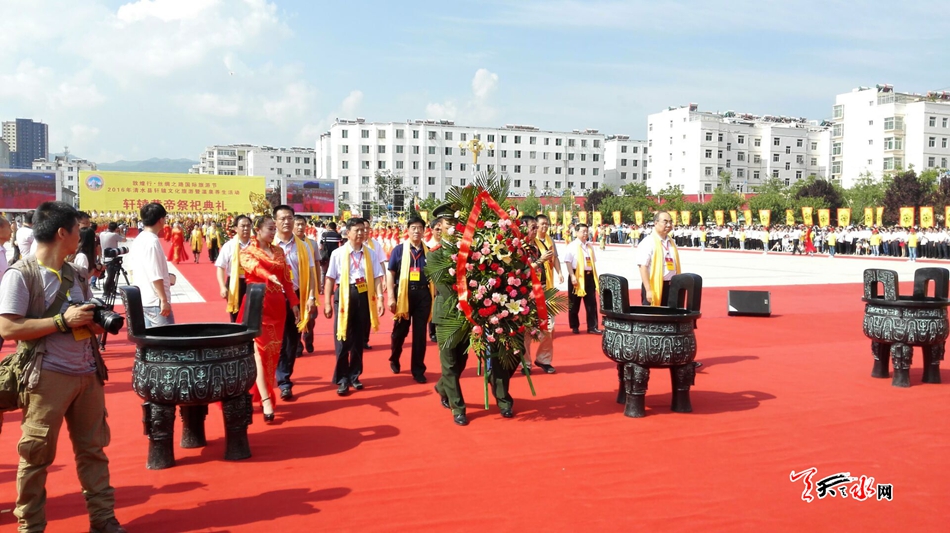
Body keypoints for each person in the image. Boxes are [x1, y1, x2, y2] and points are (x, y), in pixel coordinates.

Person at [0, 201, 127, 533]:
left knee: (93, 450)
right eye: (77, 230)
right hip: (46, 376)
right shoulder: (21, 275)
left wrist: (92, 323)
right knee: (36, 455)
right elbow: (8, 328)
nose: (81, 236)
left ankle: (103, 519)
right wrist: (61, 321)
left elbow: (79, 322)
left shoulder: (75, 273)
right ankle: (31, 526)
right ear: (62, 233)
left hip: (87, 371)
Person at [238, 215, 300, 423]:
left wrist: (294, 303)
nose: (274, 232)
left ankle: (258, 392)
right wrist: (268, 276)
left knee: (272, 355)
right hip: (257, 305)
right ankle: (266, 399)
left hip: (277, 307)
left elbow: (287, 280)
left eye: (274, 229)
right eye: (270, 229)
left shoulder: (279, 252)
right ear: (258, 230)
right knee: (259, 353)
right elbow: (254, 267)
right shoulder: (247, 251)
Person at [323, 218, 385, 396]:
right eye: (356, 230)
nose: (360, 233)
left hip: (364, 295)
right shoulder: (338, 253)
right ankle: (342, 378)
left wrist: (380, 299)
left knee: (359, 338)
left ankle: (354, 375)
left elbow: (377, 277)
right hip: (344, 295)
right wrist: (327, 302)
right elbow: (330, 278)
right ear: (348, 233)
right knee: (342, 337)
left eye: (362, 230)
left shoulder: (370, 253)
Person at [426, 205, 472, 425]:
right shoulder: (434, 254)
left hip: (467, 316)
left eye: (455, 223)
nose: (453, 227)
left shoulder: (468, 250)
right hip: (446, 315)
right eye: (449, 223)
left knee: (461, 361)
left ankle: (441, 387)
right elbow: (443, 287)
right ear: (439, 227)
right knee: (449, 364)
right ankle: (458, 408)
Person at [273, 205, 318, 401]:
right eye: (282, 218)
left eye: (289, 218)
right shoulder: (268, 244)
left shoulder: (304, 246)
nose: (287, 222)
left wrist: (311, 297)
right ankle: (283, 380)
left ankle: (285, 375)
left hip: (296, 296)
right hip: (274, 296)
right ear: (275, 221)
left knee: (292, 340)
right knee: (277, 340)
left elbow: (311, 274)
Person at [386, 216, 432, 383]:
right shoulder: (399, 250)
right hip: (403, 295)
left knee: (420, 335)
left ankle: (418, 369)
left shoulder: (429, 252)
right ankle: (394, 357)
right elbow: (391, 273)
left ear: (424, 231)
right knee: (400, 332)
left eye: (420, 228)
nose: (416, 231)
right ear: (408, 230)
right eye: (413, 227)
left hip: (423, 295)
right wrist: (391, 296)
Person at [127, 203, 174, 327]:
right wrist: (163, 299)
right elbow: (155, 274)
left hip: (143, 298)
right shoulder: (152, 242)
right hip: (155, 301)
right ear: (161, 220)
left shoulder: (139, 239)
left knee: (150, 337)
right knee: (166, 337)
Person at [525, 214, 560, 373]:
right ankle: (525, 363)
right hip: (528, 291)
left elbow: (554, 259)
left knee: (549, 327)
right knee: (527, 329)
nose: (537, 230)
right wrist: (540, 260)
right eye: (534, 227)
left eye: (536, 227)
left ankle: (543, 359)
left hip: (545, 289)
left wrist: (559, 272)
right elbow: (523, 271)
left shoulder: (544, 243)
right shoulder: (521, 247)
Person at [562, 223, 601, 335]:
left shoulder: (589, 246)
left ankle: (592, 326)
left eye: (586, 231)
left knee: (591, 303)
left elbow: (592, 262)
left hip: (589, 276)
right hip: (577, 275)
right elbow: (568, 262)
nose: (585, 233)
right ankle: (574, 326)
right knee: (574, 303)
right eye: (583, 231)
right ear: (576, 232)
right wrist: (572, 275)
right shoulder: (572, 246)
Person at [637, 211, 679, 306]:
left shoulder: (672, 242)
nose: (669, 225)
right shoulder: (648, 242)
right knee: (653, 313)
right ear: (656, 223)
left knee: (670, 313)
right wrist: (648, 290)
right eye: (665, 222)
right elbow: (643, 267)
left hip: (671, 286)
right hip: (654, 286)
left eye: (670, 222)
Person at [216, 215, 253, 323]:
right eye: (242, 226)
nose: (246, 228)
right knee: (236, 314)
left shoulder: (256, 245)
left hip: (253, 282)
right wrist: (222, 287)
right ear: (236, 228)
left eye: (248, 226)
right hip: (235, 283)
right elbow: (220, 267)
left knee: (252, 313)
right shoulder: (229, 246)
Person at [294, 215, 322, 354]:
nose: (300, 227)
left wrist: (319, 282)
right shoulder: (288, 244)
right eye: (297, 224)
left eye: (302, 224)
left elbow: (316, 264)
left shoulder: (312, 244)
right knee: (295, 316)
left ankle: (308, 338)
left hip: (309, 285)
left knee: (311, 317)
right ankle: (297, 345)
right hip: (294, 286)